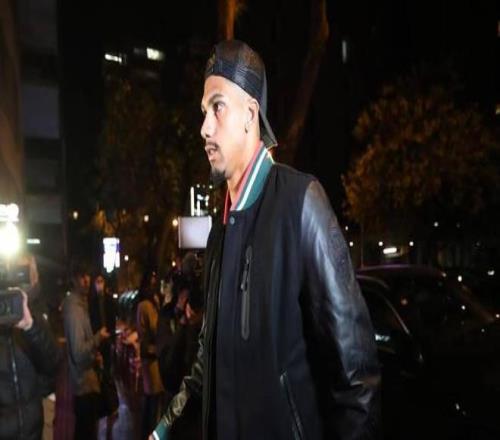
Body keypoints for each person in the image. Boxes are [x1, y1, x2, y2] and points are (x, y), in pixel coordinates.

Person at [152, 40, 380, 440]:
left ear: (250, 113)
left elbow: (356, 378)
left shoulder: (301, 202)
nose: (204, 127)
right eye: (204, 112)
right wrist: (163, 430)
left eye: (217, 107)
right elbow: (208, 361)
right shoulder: (220, 230)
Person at [0, 255, 60, 440]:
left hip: (34, 427)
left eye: (25, 272)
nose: (21, 278)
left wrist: (30, 326)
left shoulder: (37, 312)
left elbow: (54, 362)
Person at [63, 262, 110, 440]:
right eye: (82, 276)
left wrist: (95, 355)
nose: (87, 280)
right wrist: (97, 338)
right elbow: (78, 352)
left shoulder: (81, 305)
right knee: (85, 433)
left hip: (87, 384)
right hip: (83, 385)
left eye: (88, 275)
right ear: (73, 280)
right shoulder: (74, 309)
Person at [88, 273, 118, 438]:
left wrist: (111, 337)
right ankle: (103, 406)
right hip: (97, 342)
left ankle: (109, 406)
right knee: (99, 376)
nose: (99, 284)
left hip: (107, 342)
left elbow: (112, 319)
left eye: (101, 281)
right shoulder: (91, 302)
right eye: (97, 281)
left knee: (108, 373)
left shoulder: (109, 300)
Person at [136, 269, 165, 439]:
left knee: (150, 398)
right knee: (153, 398)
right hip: (151, 356)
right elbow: (155, 327)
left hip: (149, 355)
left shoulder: (145, 303)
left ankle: (146, 432)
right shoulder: (147, 305)